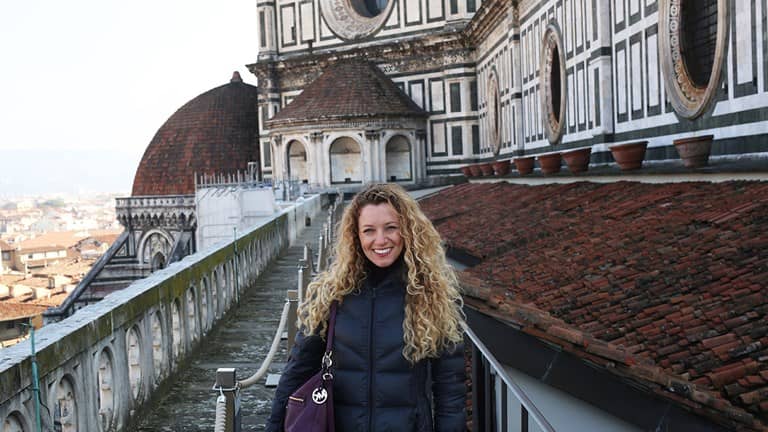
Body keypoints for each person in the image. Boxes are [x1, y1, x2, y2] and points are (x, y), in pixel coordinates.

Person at [266, 183, 466, 432]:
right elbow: (296, 373)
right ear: (356, 236)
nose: (380, 240)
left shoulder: (431, 296)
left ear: (407, 230)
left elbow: (450, 390)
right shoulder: (330, 295)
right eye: (369, 231)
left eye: (391, 228)